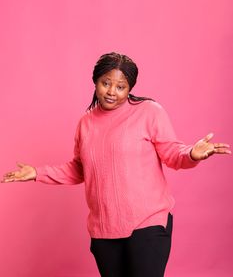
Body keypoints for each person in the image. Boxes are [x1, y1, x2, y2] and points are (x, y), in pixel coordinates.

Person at [1, 52, 231, 277]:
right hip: (104, 229)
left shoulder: (149, 112)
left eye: (120, 86)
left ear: (130, 88)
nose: (112, 91)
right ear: (96, 82)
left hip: (147, 224)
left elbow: (172, 153)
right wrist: (37, 173)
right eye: (106, 83)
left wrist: (191, 153)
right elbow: (80, 169)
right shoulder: (85, 123)